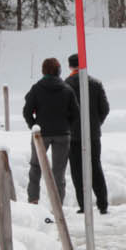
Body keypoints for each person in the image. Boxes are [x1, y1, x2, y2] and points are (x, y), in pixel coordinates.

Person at [23, 57, 80, 207]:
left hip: (41, 134)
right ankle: (57, 205)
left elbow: (27, 111)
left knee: (36, 166)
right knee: (58, 172)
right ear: (59, 71)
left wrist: (34, 126)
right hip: (62, 134)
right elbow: (76, 113)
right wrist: (67, 126)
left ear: (43, 71)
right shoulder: (67, 89)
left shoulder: (36, 89)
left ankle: (33, 200)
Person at [66, 52, 111, 214]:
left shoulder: (66, 85)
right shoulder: (96, 84)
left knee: (77, 170)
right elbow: (105, 108)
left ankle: (84, 204)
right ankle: (103, 204)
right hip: (93, 134)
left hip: (73, 135)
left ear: (70, 66)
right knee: (95, 167)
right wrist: (96, 123)